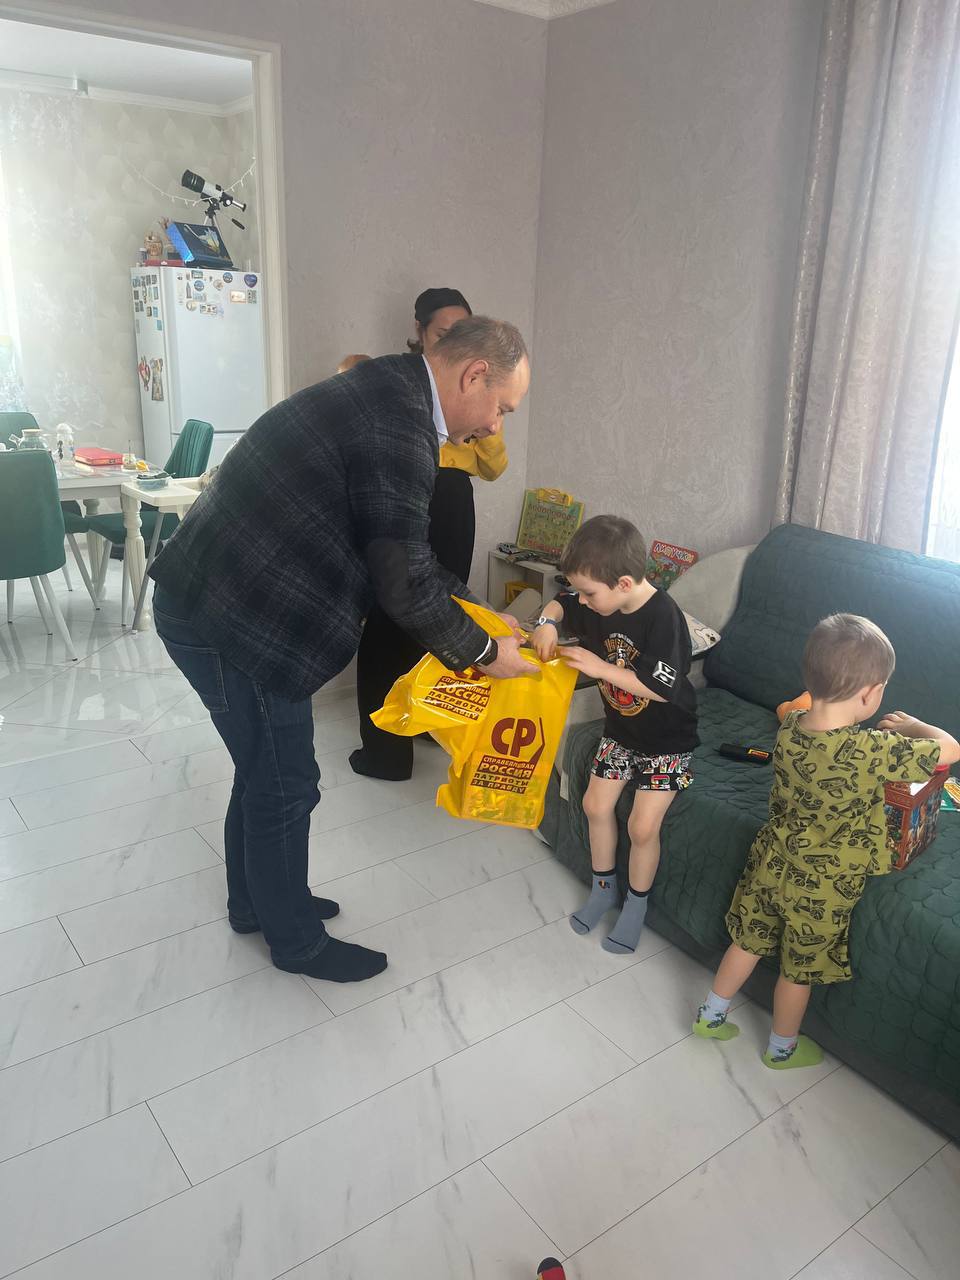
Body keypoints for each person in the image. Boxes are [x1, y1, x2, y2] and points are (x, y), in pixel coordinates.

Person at [149, 317, 534, 984]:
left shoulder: (388, 391)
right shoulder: (399, 427)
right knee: (285, 781)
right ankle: (295, 942)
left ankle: (258, 903)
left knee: (263, 770)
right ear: (474, 375)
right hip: (232, 616)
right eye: (501, 407)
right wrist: (481, 651)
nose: (495, 426)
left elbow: (404, 552)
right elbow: (402, 584)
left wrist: (480, 613)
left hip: (220, 596)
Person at [693, 613, 960, 1068]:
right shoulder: (870, 750)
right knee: (798, 972)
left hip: (772, 861)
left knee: (748, 942)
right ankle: (782, 1050)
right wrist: (914, 725)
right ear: (870, 693)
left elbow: (800, 717)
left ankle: (711, 1016)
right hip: (824, 884)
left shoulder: (793, 725)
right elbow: (951, 749)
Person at [350, 287, 509, 782]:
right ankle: (386, 750)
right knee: (392, 618)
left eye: (464, 332)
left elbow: (494, 467)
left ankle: (420, 722)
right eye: (444, 332)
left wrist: (488, 424)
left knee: (438, 613)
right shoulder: (400, 389)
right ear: (419, 332)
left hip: (453, 502)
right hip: (410, 493)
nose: (455, 342)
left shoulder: (477, 396)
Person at [532, 514, 699, 954]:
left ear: (624, 583)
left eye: (590, 593)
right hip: (621, 732)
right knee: (594, 804)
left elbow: (662, 688)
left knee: (642, 827)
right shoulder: (597, 601)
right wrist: (546, 622)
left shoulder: (663, 616)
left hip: (667, 741)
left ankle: (636, 906)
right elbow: (562, 600)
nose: (584, 603)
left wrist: (599, 667)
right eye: (583, 593)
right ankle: (603, 889)